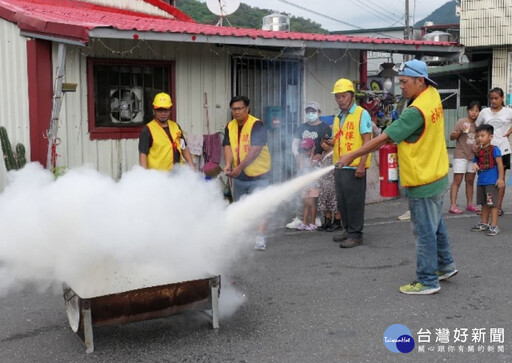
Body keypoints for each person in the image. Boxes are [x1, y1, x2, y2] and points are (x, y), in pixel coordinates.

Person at [338, 59, 457, 295]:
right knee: (436, 225)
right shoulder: (432, 95)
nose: (400, 87)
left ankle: (427, 281)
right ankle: (444, 266)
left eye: (404, 82)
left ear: (419, 81)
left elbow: (384, 139)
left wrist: (352, 154)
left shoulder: (415, 112)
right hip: (438, 172)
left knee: (424, 232)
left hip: (422, 177)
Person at [222, 96, 271, 250]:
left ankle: (260, 237)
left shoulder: (257, 125)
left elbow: (255, 150)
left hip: (259, 174)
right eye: (233, 109)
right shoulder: (230, 126)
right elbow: (227, 146)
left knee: (261, 207)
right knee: (241, 207)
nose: (236, 112)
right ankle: (243, 237)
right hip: (240, 177)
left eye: (239, 108)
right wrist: (229, 164)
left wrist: (240, 167)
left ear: (247, 108)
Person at [328, 79, 372, 248]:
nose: (340, 99)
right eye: (337, 97)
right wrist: (330, 144)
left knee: (354, 202)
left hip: (354, 167)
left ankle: (355, 234)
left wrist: (362, 165)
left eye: (343, 96)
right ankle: (348, 230)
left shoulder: (362, 114)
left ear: (352, 96)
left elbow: (368, 141)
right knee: (343, 201)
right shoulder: (339, 117)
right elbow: (340, 139)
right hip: (340, 166)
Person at [286, 101, 331, 229]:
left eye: (313, 111)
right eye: (308, 112)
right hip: (303, 165)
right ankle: (299, 218)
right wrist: (296, 155)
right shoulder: (302, 127)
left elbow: (329, 145)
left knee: (316, 193)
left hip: (317, 166)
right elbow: (295, 143)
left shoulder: (325, 128)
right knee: (302, 191)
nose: (310, 114)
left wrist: (321, 156)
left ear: (319, 112)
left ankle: (314, 217)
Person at [475, 87, 512, 216]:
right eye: (491, 98)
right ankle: (486, 206)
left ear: (502, 98)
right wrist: (477, 144)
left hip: (503, 149)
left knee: (500, 179)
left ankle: (497, 207)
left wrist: (509, 132)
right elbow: (477, 128)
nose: (494, 101)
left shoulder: (508, 112)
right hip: (486, 151)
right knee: (487, 179)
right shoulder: (484, 112)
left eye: (496, 98)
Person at [139, 92, 195, 171]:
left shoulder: (176, 126)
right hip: (158, 178)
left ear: (170, 110)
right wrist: (144, 176)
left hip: (178, 175)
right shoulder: (147, 130)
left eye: (166, 110)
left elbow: (184, 147)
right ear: (154, 110)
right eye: (159, 110)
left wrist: (191, 166)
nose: (163, 113)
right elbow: (143, 154)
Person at [471, 124, 505, 236]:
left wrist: (500, 178)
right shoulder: (477, 150)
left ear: (490, 137)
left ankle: (494, 225)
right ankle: (484, 223)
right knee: (484, 203)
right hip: (481, 181)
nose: (479, 138)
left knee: (492, 204)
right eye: (478, 136)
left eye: (482, 135)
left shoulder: (494, 149)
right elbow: (475, 161)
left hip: (491, 182)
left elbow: (500, 164)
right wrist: (475, 164)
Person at [448, 101, 481, 214]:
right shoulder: (462, 122)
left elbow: (482, 139)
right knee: (457, 180)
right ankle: (453, 205)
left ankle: (470, 204)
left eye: (477, 111)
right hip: (461, 155)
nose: (474, 113)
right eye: (472, 110)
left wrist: (479, 146)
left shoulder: (479, 125)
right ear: (468, 110)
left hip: (473, 157)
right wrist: (460, 130)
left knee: (470, 181)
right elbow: (452, 137)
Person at [317, 135, 342, 232]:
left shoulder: (334, 153)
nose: (324, 145)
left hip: (333, 182)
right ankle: (327, 221)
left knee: (334, 202)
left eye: (326, 142)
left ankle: (337, 222)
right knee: (325, 203)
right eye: (322, 143)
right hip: (324, 183)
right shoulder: (323, 153)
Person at [296, 138, 320, 231]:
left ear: (312, 149)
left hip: (313, 185)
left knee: (312, 204)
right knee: (306, 204)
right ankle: (304, 223)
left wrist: (312, 154)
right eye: (303, 150)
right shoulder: (302, 158)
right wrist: (300, 158)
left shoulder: (315, 158)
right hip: (305, 185)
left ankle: (313, 223)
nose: (305, 152)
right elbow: (301, 168)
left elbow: (310, 165)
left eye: (307, 149)